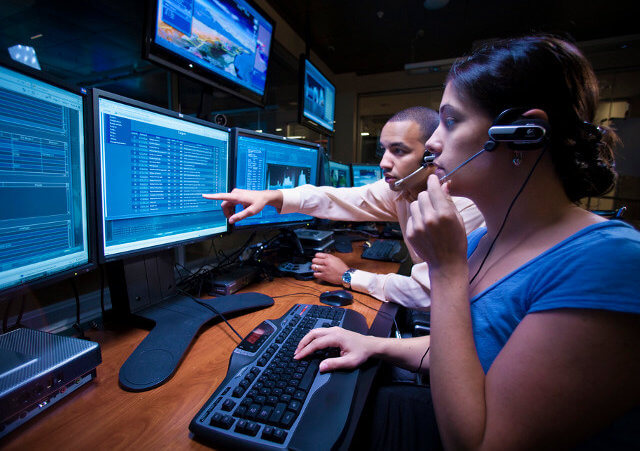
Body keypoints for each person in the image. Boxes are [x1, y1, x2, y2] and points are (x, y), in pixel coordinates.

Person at [293, 34, 640, 450]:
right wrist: (374, 345)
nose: (435, 142)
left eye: (452, 121)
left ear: (525, 133)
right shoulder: (482, 240)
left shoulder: (610, 262)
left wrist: (447, 268)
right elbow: (461, 352)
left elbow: (475, 444)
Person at [204, 107, 484, 309]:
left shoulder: (460, 205)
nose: (384, 163)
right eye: (384, 150)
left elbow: (426, 294)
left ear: (430, 157)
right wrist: (272, 195)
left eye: (398, 151)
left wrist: (348, 277)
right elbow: (336, 199)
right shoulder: (403, 191)